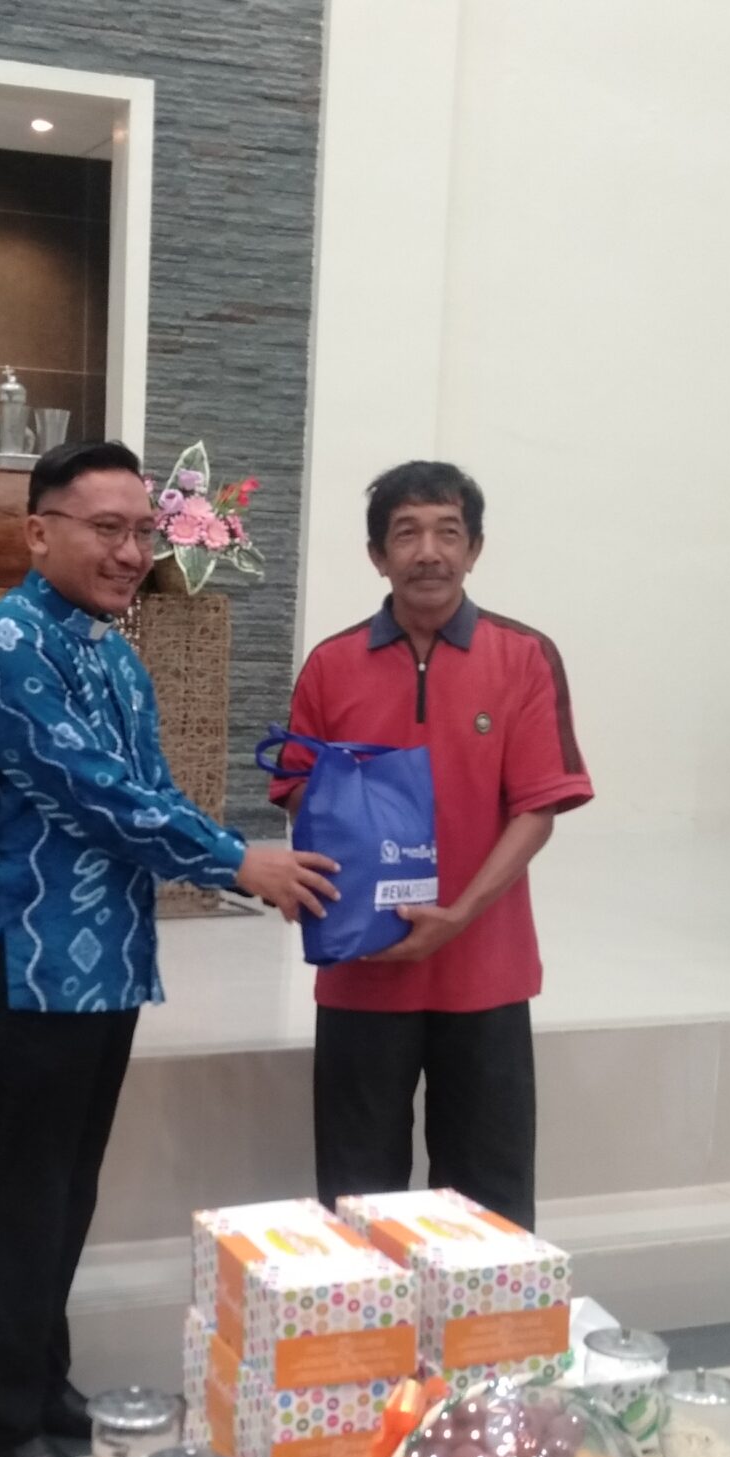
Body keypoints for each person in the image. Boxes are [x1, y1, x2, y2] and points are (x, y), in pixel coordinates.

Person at [0, 439, 340, 1457]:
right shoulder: (7, 643)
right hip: (30, 964)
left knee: (68, 1190)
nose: (129, 553)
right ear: (40, 532)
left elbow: (154, 791)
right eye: (106, 529)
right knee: (28, 1193)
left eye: (141, 533)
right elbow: (95, 796)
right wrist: (237, 860)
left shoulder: (115, 654)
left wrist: (244, 862)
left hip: (108, 964)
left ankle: (43, 1385)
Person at [273, 460, 591, 1226]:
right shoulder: (331, 665)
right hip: (362, 968)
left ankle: (476, 1316)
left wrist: (459, 915)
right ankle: (367, 1312)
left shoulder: (523, 656)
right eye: (406, 534)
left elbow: (538, 808)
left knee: (488, 1207)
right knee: (357, 1198)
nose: (429, 552)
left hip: (485, 970)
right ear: (377, 556)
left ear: (474, 549)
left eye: (449, 533)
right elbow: (298, 797)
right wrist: (337, 872)